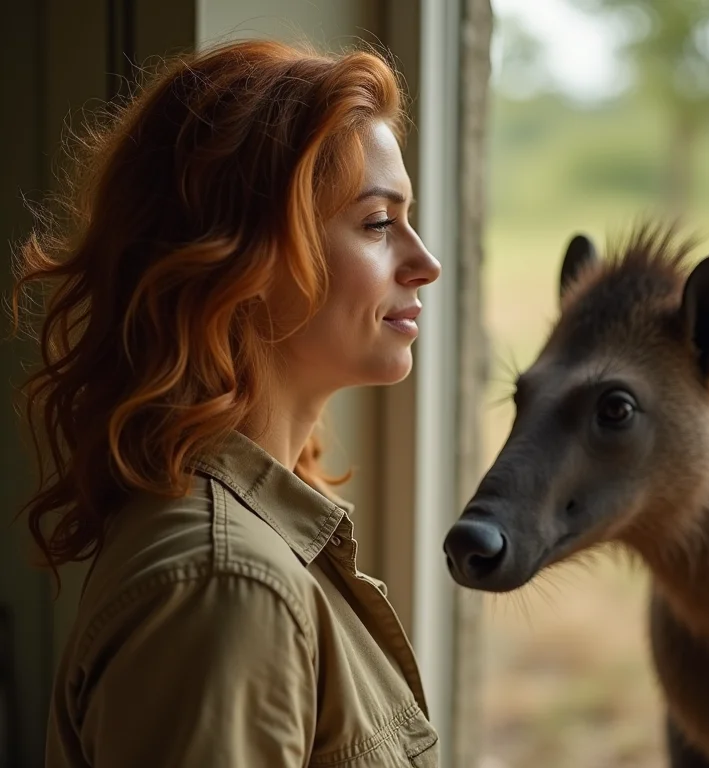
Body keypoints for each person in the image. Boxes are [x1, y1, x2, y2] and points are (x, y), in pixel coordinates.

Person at [12, 38, 441, 767]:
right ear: (242, 258)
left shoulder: (251, 546)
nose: (424, 262)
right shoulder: (229, 588)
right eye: (376, 223)